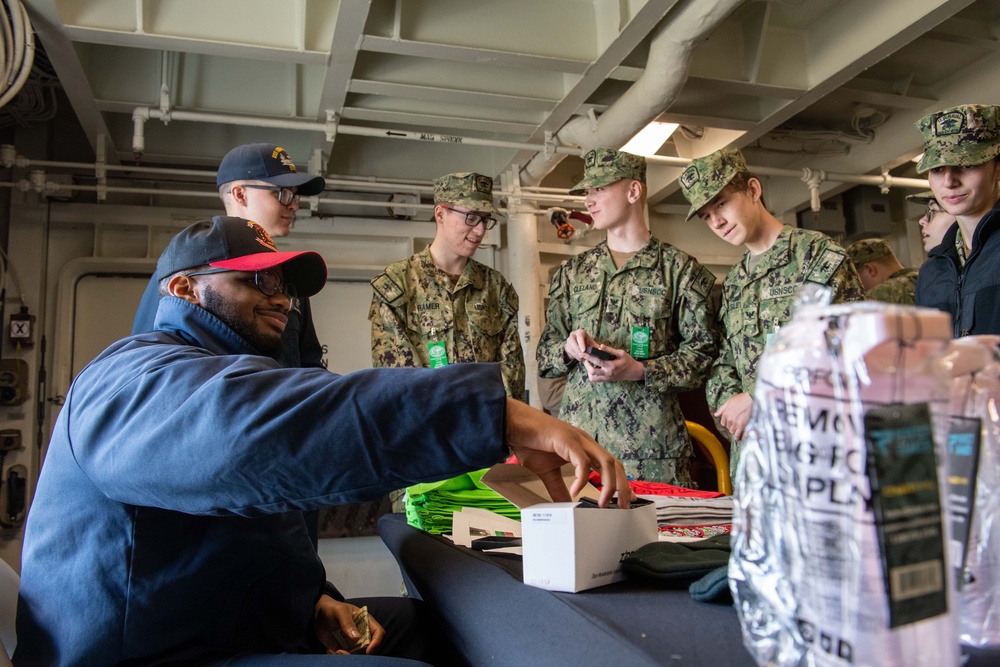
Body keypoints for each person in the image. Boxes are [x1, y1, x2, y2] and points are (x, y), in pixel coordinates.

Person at [14, 216, 630, 667]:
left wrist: (310, 601)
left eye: (283, 284)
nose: (280, 297)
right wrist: (500, 416)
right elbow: (260, 441)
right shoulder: (133, 378)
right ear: (183, 290)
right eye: (255, 281)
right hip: (149, 657)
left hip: (223, 629)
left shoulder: (224, 374)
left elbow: (245, 525)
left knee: (448, 629)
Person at [536, 148, 718, 487]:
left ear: (633, 192)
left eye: (600, 189)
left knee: (660, 540)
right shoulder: (572, 274)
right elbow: (545, 357)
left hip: (652, 453)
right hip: (581, 448)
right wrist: (569, 349)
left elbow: (704, 357)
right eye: (587, 191)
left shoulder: (680, 272)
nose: (589, 200)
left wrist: (640, 370)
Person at [679, 148, 863, 468]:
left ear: (753, 190)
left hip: (815, 454)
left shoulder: (815, 256)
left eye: (721, 204)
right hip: (754, 456)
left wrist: (759, 399)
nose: (717, 222)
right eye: (706, 216)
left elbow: (849, 350)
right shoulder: (736, 280)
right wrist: (730, 408)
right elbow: (725, 361)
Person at [133, 142, 327, 369]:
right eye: (282, 193)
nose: (293, 205)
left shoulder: (290, 282)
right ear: (240, 194)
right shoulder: (188, 268)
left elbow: (309, 365)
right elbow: (149, 360)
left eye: (295, 196)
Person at [369, 172, 525, 400]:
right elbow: (393, 375)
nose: (480, 230)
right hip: (423, 426)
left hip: (484, 425)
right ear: (440, 213)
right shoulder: (399, 283)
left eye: (485, 219)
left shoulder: (495, 288)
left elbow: (512, 374)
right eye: (471, 217)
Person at [914, 104, 1000, 337]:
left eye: (967, 165)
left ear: (997, 169)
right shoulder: (932, 272)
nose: (949, 181)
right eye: (938, 169)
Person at [846, 237, 918, 304]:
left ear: (870, 269)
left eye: (855, 279)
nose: (856, 286)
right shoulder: (924, 277)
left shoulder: (880, 295)